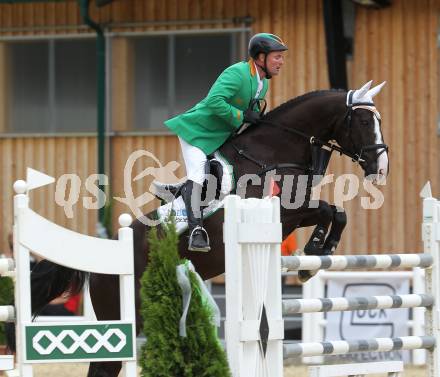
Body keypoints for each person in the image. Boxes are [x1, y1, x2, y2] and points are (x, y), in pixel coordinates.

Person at [165, 33, 288, 252]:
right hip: (197, 132)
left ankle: (179, 189)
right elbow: (214, 101)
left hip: (221, 136)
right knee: (199, 175)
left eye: (281, 57)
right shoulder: (237, 73)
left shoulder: (262, 84)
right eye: (277, 57)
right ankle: (196, 232)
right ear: (260, 57)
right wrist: (241, 117)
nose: (281, 62)